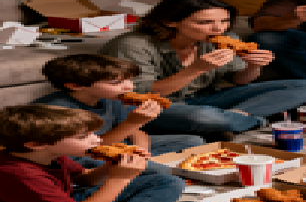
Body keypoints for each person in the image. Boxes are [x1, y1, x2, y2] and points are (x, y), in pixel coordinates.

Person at [98, 0, 306, 135]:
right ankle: (248, 120)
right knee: (202, 117)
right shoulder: (133, 45)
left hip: (207, 99)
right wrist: (196, 69)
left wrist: (252, 66)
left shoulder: (224, 38)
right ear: (170, 22)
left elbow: (238, 80)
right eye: (205, 22)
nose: (218, 29)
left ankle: (233, 119)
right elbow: (138, 95)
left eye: (224, 21)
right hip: (151, 106)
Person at [0, 104, 190, 202]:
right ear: (36, 144)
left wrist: (112, 165)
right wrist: (120, 178)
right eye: (84, 136)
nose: (97, 140)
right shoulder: (18, 173)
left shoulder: (50, 155)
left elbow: (85, 179)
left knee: (168, 181)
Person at [32, 54, 205, 174]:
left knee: (193, 141)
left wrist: (141, 152)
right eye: (116, 82)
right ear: (75, 86)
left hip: (117, 145)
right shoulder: (57, 110)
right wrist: (132, 123)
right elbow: (88, 149)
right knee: (159, 169)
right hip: (81, 157)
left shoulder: (111, 98)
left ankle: (144, 167)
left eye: (129, 80)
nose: (129, 86)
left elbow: (136, 132)